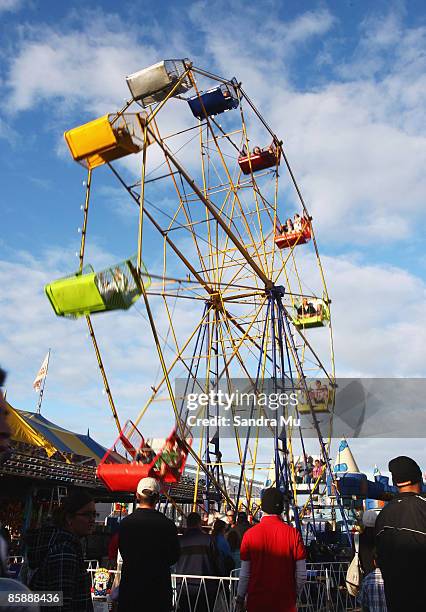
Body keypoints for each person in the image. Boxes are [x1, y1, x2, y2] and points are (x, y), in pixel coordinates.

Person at [236, 488, 306, 612]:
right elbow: (301, 574)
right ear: (281, 508)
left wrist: (240, 599)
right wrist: (294, 594)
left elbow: (245, 574)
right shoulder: (293, 534)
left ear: (263, 507)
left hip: (257, 603)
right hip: (285, 603)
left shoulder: (249, 535)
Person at [26, 490, 95, 612]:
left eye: (94, 514)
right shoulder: (65, 550)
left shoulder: (62, 544)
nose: (92, 520)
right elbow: (61, 604)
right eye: (87, 514)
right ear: (69, 518)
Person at [118, 477, 179, 612]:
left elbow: (123, 552)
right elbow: (174, 557)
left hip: (131, 589)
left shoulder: (126, 524)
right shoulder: (168, 525)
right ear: (157, 498)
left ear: (137, 495)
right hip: (158, 591)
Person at [375, 456, 426, 611]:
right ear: (418, 477)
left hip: (396, 601)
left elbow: (378, 560)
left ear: (396, 482)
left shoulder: (383, 515)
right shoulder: (423, 507)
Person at [175, 512, 219, 611]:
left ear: (187, 523)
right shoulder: (208, 540)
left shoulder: (180, 540)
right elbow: (216, 561)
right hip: (205, 587)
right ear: (199, 523)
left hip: (184, 586)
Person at [359, 510, 378, 576]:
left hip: (363, 574)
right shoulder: (381, 536)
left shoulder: (358, 538)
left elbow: (353, 557)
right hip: (379, 574)